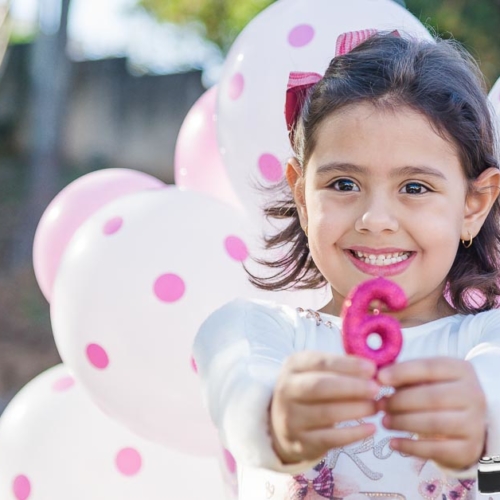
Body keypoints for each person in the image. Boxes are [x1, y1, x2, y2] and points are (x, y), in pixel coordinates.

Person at [193, 30, 500, 500]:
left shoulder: (486, 342)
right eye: (342, 183)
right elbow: (237, 383)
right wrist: (274, 417)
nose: (376, 220)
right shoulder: (255, 330)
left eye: (415, 188)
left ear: (473, 205)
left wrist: (481, 416)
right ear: (301, 194)